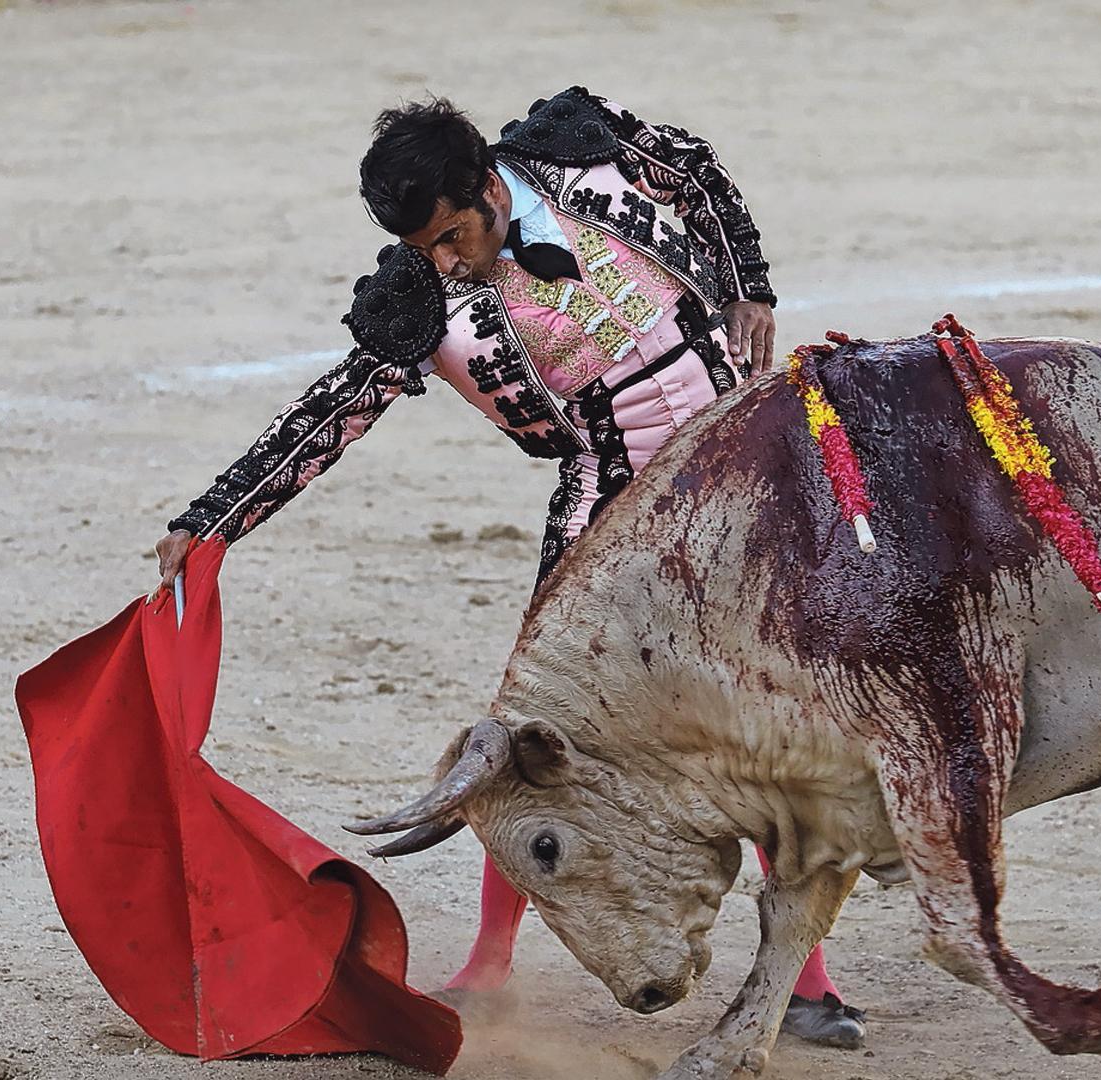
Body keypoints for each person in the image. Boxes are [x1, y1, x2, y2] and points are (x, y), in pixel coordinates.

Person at [152, 88, 865, 1048]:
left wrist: (750, 286)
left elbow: (696, 170)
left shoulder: (582, 149)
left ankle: (808, 982)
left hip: (750, 464)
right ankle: (489, 959)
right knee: (539, 733)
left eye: (453, 236)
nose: (446, 263)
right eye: (426, 250)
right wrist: (214, 519)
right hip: (611, 504)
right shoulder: (421, 302)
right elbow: (332, 413)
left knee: (775, 713)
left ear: (490, 186)